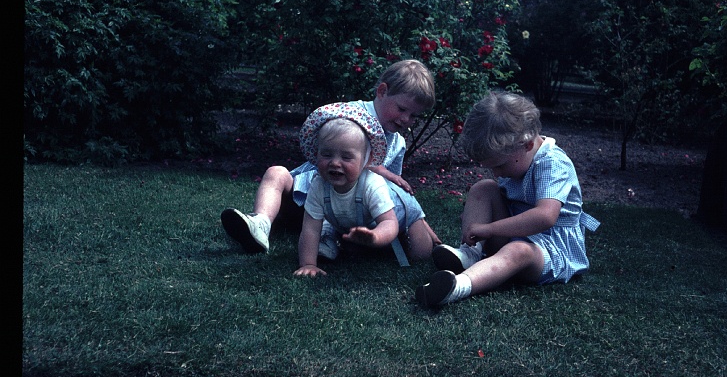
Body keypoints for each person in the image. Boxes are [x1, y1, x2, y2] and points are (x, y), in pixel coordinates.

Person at [221, 59, 440, 261]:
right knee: (276, 173)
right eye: (402, 109)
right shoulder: (351, 113)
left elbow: (394, 194)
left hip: (345, 210)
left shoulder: (397, 143)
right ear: (382, 91)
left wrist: (425, 226)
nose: (406, 119)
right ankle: (261, 223)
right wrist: (381, 170)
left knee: (374, 212)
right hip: (313, 190)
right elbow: (330, 154)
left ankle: (330, 240)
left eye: (414, 116)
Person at [415, 91, 600, 309]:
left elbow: (545, 217)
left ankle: (456, 287)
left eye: (500, 166)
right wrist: (480, 219)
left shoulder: (552, 163)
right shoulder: (517, 157)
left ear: (527, 145)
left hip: (549, 248)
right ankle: (470, 254)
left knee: (518, 251)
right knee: (484, 187)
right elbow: (499, 198)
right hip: (513, 231)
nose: (497, 173)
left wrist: (491, 228)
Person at [293, 103, 399, 276]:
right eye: (326, 155)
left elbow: (390, 223)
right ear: (316, 153)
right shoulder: (319, 185)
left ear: (366, 160)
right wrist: (308, 263)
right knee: (352, 248)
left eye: (346, 156)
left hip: (401, 215)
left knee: (421, 251)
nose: (335, 163)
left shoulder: (372, 183)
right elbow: (311, 228)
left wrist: (375, 237)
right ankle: (334, 238)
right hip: (349, 224)